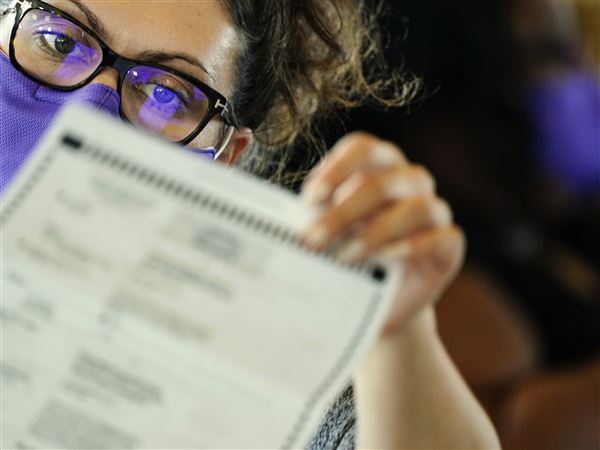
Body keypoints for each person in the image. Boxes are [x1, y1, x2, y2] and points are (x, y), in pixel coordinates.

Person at [0, 1, 500, 448]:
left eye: (166, 95)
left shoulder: (249, 383)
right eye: (56, 41)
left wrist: (399, 337)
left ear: (225, 156)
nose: (86, 111)